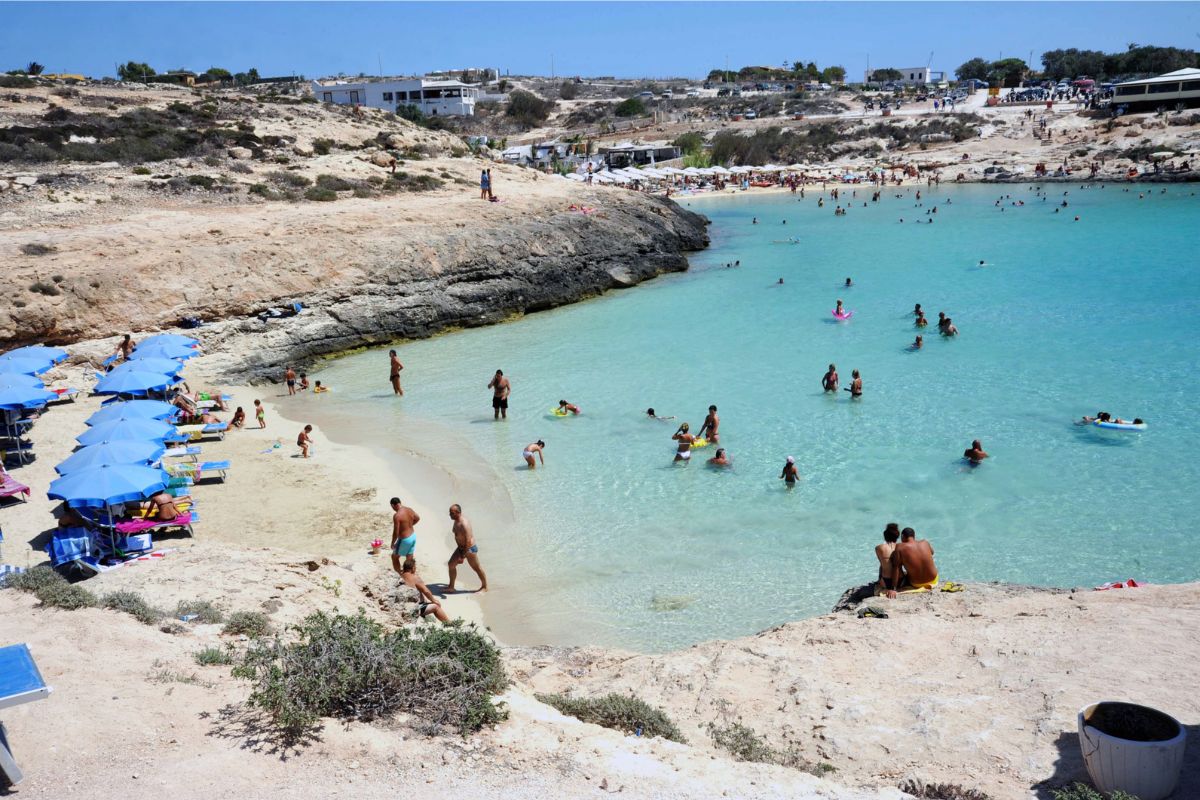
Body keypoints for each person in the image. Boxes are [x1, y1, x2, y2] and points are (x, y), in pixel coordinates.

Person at [887, 527, 938, 597]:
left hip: (917, 584)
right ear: (914, 536)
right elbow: (932, 552)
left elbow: (896, 568)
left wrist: (893, 588)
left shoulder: (900, 547)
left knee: (896, 563)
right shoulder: (925, 542)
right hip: (934, 580)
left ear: (902, 536)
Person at [447, 504, 488, 593]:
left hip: (469, 549)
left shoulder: (464, 524)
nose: (450, 514)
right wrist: (460, 550)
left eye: (452, 513)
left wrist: (462, 556)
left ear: (458, 513)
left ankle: (484, 587)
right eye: (450, 512)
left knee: (476, 568)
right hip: (461, 548)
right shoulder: (456, 520)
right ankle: (451, 587)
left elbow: (468, 541)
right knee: (451, 564)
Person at [400, 558, 450, 623]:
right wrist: (434, 600)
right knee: (436, 606)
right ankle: (449, 624)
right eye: (415, 567)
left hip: (405, 605)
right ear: (413, 568)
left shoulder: (401, 576)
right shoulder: (415, 577)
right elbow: (426, 591)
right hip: (416, 607)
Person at [389, 496, 420, 577]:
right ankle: (412, 575)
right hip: (413, 536)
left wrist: (392, 543)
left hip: (404, 539)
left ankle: (400, 576)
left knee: (394, 557)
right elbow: (417, 518)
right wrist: (409, 525)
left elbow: (396, 532)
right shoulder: (409, 509)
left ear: (393, 505)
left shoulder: (397, 516)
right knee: (409, 558)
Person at [876, 523, 901, 593]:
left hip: (886, 582)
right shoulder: (901, 547)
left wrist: (879, 579)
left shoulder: (878, 548)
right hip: (901, 580)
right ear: (897, 536)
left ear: (885, 536)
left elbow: (882, 564)